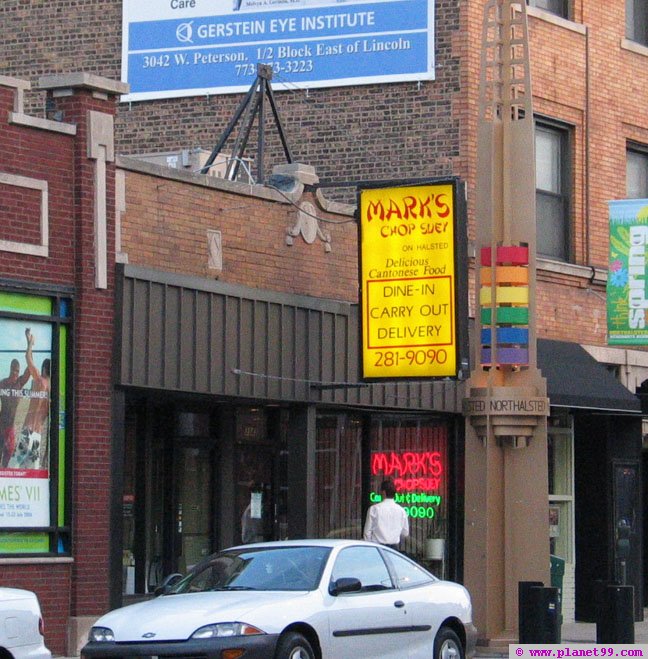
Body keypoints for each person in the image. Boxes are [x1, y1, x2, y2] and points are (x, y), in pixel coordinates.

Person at [16, 329, 50, 469]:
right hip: (37, 435)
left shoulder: (39, 381)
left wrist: (30, 344)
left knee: (16, 466)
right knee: (32, 471)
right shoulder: (50, 388)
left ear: (43, 369)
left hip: (28, 431)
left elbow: (28, 359)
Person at [0, 358, 31, 467]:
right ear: (10, 369)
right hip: (1, 426)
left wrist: (29, 348)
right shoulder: (2, 383)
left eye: (17, 371)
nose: (15, 373)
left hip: (10, 428)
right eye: (13, 369)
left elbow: (29, 370)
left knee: (7, 459)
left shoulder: (19, 383)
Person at [363, 478, 409, 549]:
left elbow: (367, 532)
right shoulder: (401, 511)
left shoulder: (374, 509)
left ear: (383, 492)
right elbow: (405, 533)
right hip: (394, 549)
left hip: (377, 547)